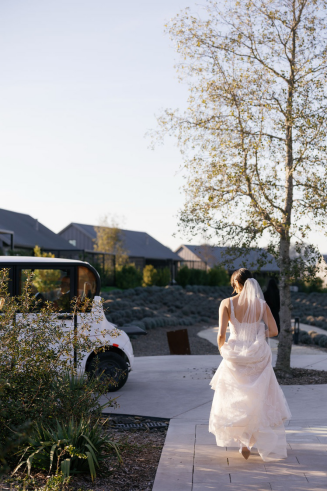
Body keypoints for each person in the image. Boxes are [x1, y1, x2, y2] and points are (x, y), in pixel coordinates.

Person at [209, 268, 291, 462]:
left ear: (237, 284)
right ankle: (250, 440)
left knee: (236, 396)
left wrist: (223, 351)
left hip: (235, 354)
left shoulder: (226, 303)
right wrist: (259, 333)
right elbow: (274, 330)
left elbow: (221, 335)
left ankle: (243, 442)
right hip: (258, 354)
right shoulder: (262, 305)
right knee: (258, 396)